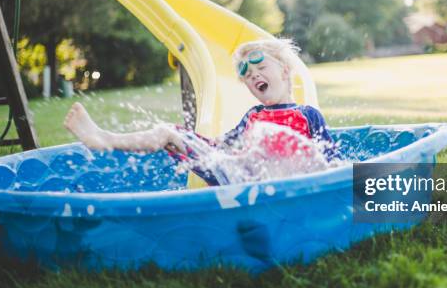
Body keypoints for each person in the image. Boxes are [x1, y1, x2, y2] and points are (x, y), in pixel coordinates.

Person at [64, 38, 341, 186]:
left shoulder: (307, 115)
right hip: (245, 178)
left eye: (261, 68)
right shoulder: (253, 118)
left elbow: (330, 160)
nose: (254, 76)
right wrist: (187, 141)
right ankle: (104, 138)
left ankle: (378, 203)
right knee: (166, 132)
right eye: (247, 75)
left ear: (284, 69)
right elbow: (223, 147)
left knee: (274, 139)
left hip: (297, 182)